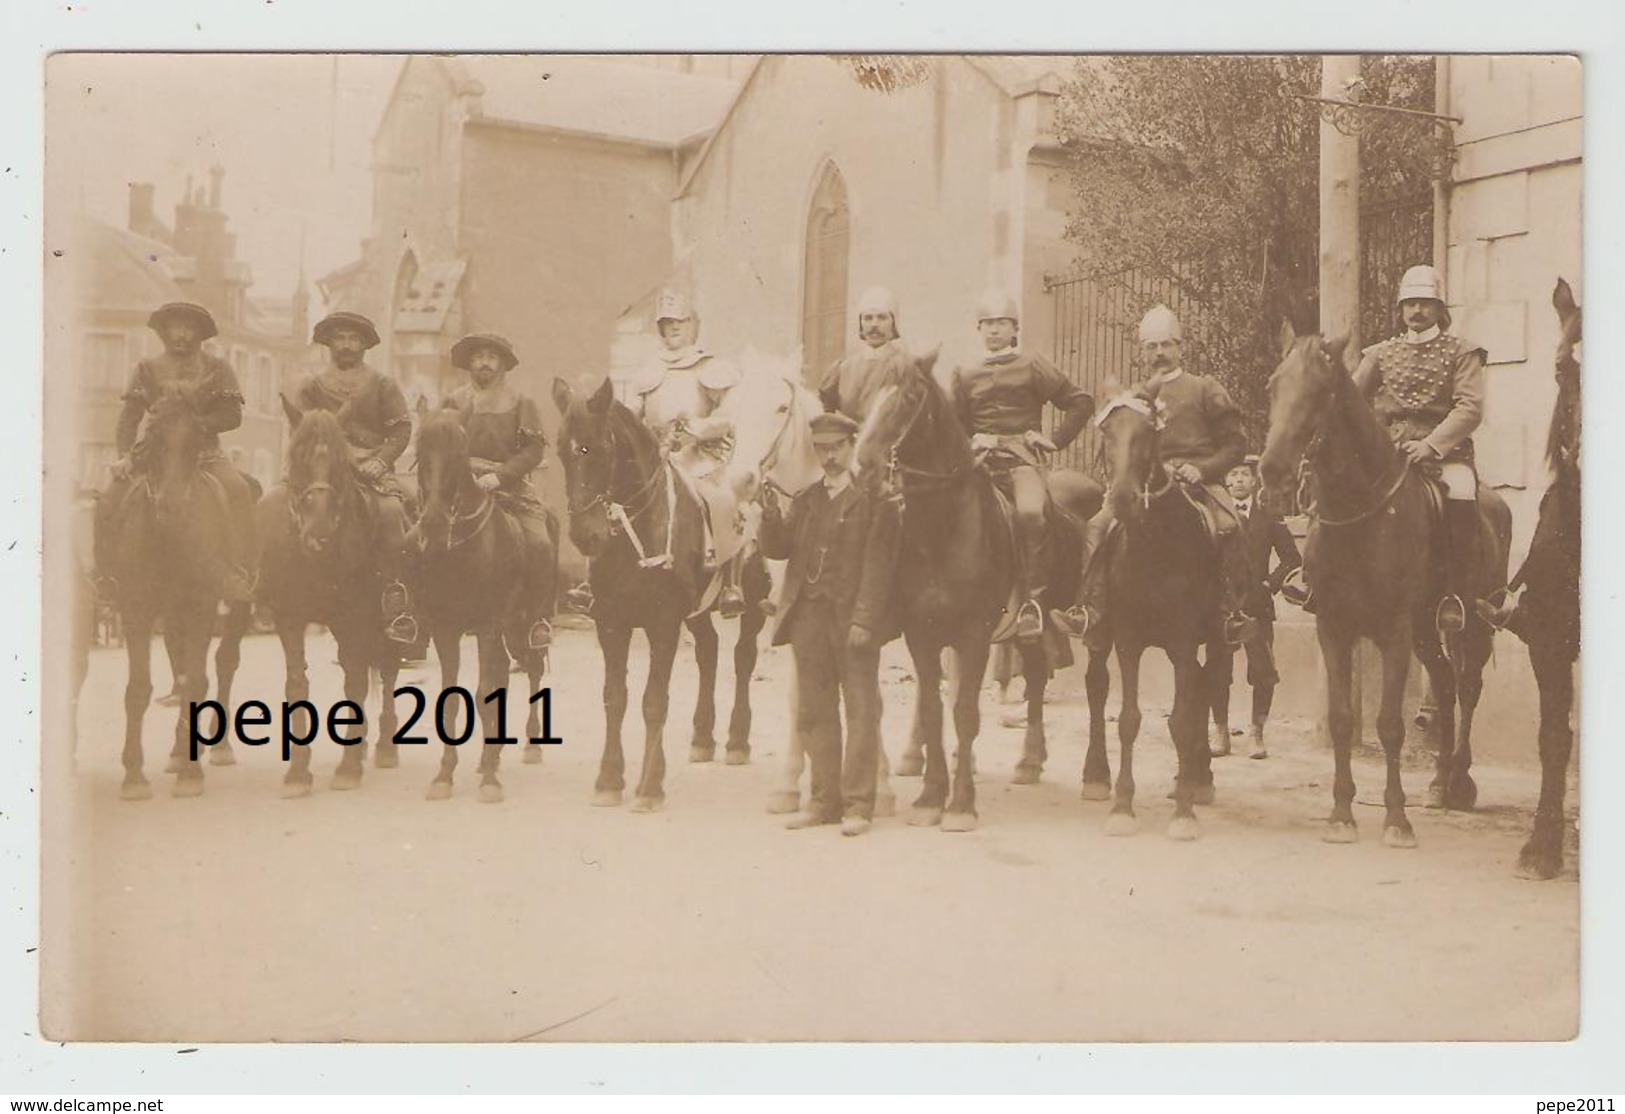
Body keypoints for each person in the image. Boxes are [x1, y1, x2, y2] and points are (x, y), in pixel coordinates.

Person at [1052, 304, 1257, 648]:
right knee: (1097, 526)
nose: (1159, 352)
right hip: (1145, 487)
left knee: (1228, 524)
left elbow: (1235, 445)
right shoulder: (1132, 399)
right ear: (1142, 352)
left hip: (1199, 482)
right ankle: (1089, 608)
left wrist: (1203, 468)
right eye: (1151, 346)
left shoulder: (1205, 388)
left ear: (1180, 347)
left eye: (1166, 344)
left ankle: (1229, 612)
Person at [759, 412, 897, 837]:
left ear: (852, 446)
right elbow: (779, 549)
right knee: (814, 711)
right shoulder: (807, 499)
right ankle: (823, 802)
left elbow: (880, 566)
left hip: (853, 622)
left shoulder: (874, 500)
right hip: (809, 617)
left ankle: (858, 806)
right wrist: (768, 514)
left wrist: (866, 620)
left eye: (836, 448)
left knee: (860, 712)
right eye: (821, 449)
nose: (829, 457)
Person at [948, 288, 1093, 642]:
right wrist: (969, 443)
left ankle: (1034, 602)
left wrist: (1054, 440)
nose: (994, 330)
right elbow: (954, 428)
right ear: (978, 329)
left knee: (1030, 512)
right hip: (980, 465)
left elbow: (1080, 402)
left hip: (1021, 463)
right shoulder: (964, 372)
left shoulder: (1032, 365)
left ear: (1015, 329)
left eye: (1001, 323)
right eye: (987, 324)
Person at [1351, 264, 1488, 632]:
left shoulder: (1462, 351)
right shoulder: (1379, 353)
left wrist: (1432, 445)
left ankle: (1455, 596)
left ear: (1440, 307)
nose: (1417, 311)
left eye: (1425, 303)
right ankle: (1324, 582)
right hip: (1389, 457)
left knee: (1461, 491)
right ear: (1400, 308)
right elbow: (1350, 401)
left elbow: (1470, 408)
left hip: (1444, 457)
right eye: (1409, 303)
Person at [92, 301, 258, 605]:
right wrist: (124, 455)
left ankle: (238, 572)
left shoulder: (218, 369)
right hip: (153, 454)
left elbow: (232, 415)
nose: (181, 334)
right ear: (164, 331)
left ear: (199, 333)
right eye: (175, 327)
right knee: (109, 499)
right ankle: (107, 576)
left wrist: (197, 426)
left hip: (205, 455)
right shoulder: (147, 369)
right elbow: (129, 418)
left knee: (239, 491)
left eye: (189, 328)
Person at [286, 310, 419, 645]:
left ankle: (396, 596)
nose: (346, 345)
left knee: (394, 511)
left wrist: (381, 461)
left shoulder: (382, 385)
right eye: (339, 338)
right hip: (324, 467)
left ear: (364, 345)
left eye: (353, 338)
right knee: (277, 505)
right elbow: (300, 429)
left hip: (370, 466)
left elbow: (401, 430)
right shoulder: (312, 387)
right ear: (329, 343)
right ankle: (273, 584)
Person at [626, 289, 749, 617]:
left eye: (680, 321)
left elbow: (732, 417)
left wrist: (696, 427)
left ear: (693, 323)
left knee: (723, 500)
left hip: (699, 459)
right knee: (616, 500)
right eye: (666, 323)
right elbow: (629, 418)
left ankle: (729, 584)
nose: (673, 328)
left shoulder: (709, 368)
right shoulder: (648, 374)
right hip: (656, 461)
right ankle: (600, 583)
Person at [441, 333, 555, 650]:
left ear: (504, 364)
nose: (485, 363)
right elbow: (441, 444)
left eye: (492, 357)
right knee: (422, 535)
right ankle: (418, 616)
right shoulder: (454, 401)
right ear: (469, 364)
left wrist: (501, 476)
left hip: (510, 486)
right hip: (462, 486)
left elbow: (533, 451)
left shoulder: (521, 402)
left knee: (541, 542)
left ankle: (538, 619)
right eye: (478, 357)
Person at [1210, 456, 1301, 759]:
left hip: (1258, 605)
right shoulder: (1215, 515)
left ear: (1254, 481)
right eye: (1232, 474)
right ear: (1226, 481)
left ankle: (1256, 733)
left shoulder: (1269, 516)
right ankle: (1220, 731)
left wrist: (1268, 585)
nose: (1238, 480)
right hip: (1223, 604)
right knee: (1219, 668)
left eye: (1244, 475)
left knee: (1262, 671)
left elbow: (1292, 558)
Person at [819, 285, 918, 422]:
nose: (874, 324)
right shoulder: (842, 370)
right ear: (860, 324)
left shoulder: (906, 368)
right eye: (868, 318)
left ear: (893, 324)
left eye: (882, 318)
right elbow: (825, 418)